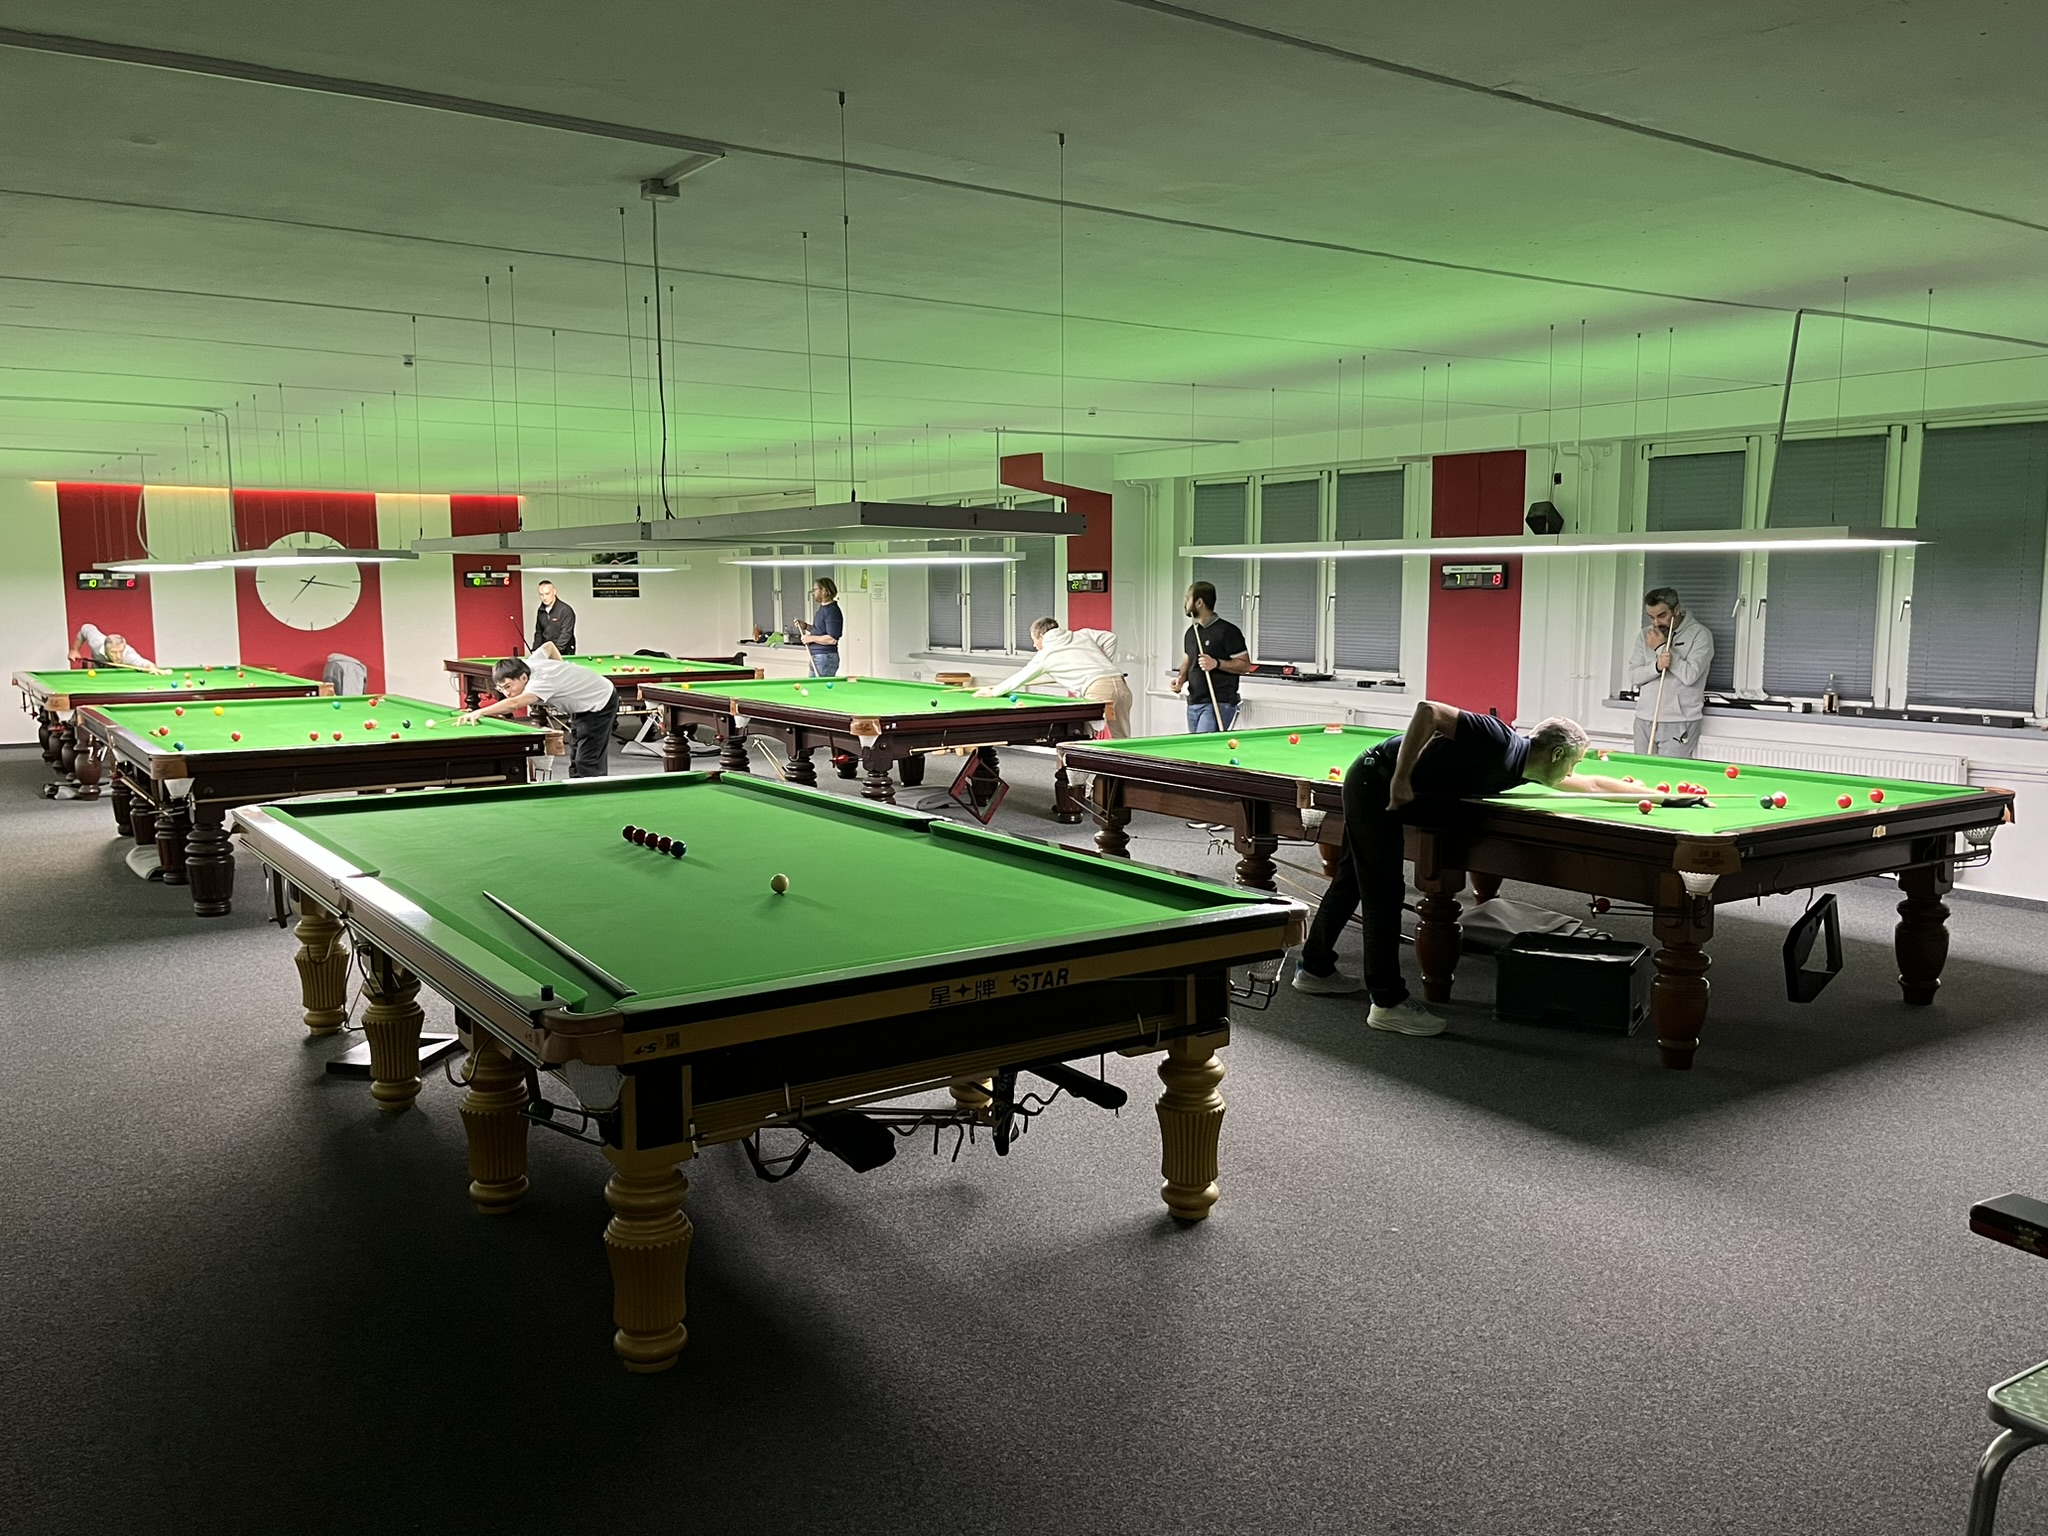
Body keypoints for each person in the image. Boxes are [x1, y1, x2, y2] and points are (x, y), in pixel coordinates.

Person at [1291, 701, 1640, 1035]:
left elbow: (1592, 784)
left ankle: (1315, 968)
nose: (1572, 772)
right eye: (1573, 763)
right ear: (1557, 754)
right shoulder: (1497, 738)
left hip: (1383, 786)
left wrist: (1651, 792)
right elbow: (1429, 711)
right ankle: (1387, 1003)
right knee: (1383, 891)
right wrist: (1401, 777)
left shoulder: (1528, 769)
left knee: (1352, 880)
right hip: (1375, 780)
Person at [458, 641, 618, 778]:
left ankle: (595, 796)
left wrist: (480, 711)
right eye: (501, 689)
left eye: (508, 686)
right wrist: (562, 669)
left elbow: (515, 703)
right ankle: (578, 790)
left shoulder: (541, 681)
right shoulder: (528, 664)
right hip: (583, 702)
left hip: (600, 700)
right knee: (576, 754)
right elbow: (549, 646)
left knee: (587, 759)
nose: (507, 693)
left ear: (523, 677)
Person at [975, 618, 1133, 737]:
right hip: (1120, 684)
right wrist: (1105, 664)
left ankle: (1080, 773)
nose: (1034, 645)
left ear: (1041, 636)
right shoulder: (1081, 635)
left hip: (1098, 690)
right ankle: (1124, 771)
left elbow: (1021, 677)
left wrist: (994, 691)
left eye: (1034, 640)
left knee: (1081, 736)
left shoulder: (1046, 654)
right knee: (1121, 737)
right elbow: (1110, 638)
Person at [1626, 586, 1713, 758]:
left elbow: (1690, 676)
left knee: (1669, 772)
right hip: (1644, 717)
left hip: (1680, 720)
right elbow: (1634, 676)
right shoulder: (1646, 635)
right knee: (1642, 771)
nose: (1656, 623)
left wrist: (1661, 648)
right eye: (1651, 617)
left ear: (1677, 610)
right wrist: (1656, 667)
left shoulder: (1700, 635)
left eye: (1661, 616)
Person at [1171, 581, 1250, 732]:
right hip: (1194, 702)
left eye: (1188, 598)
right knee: (1195, 746)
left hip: (1218, 702)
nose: (1185, 603)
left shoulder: (1228, 631)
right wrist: (1181, 679)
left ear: (1199, 602)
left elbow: (1245, 665)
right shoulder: (1191, 632)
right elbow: (1188, 660)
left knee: (1203, 745)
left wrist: (1216, 663)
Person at [795, 577, 844, 676]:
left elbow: (832, 639)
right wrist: (805, 626)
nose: (813, 593)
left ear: (824, 591)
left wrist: (810, 638)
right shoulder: (823, 609)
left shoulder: (832, 611)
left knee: (820, 686)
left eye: (815, 589)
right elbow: (819, 631)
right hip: (818, 657)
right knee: (813, 686)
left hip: (825, 658)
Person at [69, 623, 161, 672]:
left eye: (120, 651)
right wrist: (75, 650)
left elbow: (142, 662)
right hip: (97, 675)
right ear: (105, 649)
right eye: (113, 652)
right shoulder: (96, 642)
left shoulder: (128, 655)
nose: (118, 656)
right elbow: (86, 628)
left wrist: (151, 667)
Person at [531, 580, 577, 655]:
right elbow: (539, 633)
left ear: (554, 591)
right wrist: (535, 650)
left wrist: (553, 652)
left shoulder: (565, 610)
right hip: (547, 652)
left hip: (564, 651)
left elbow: (566, 634)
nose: (544, 597)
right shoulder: (541, 611)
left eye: (547, 594)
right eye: (541, 595)